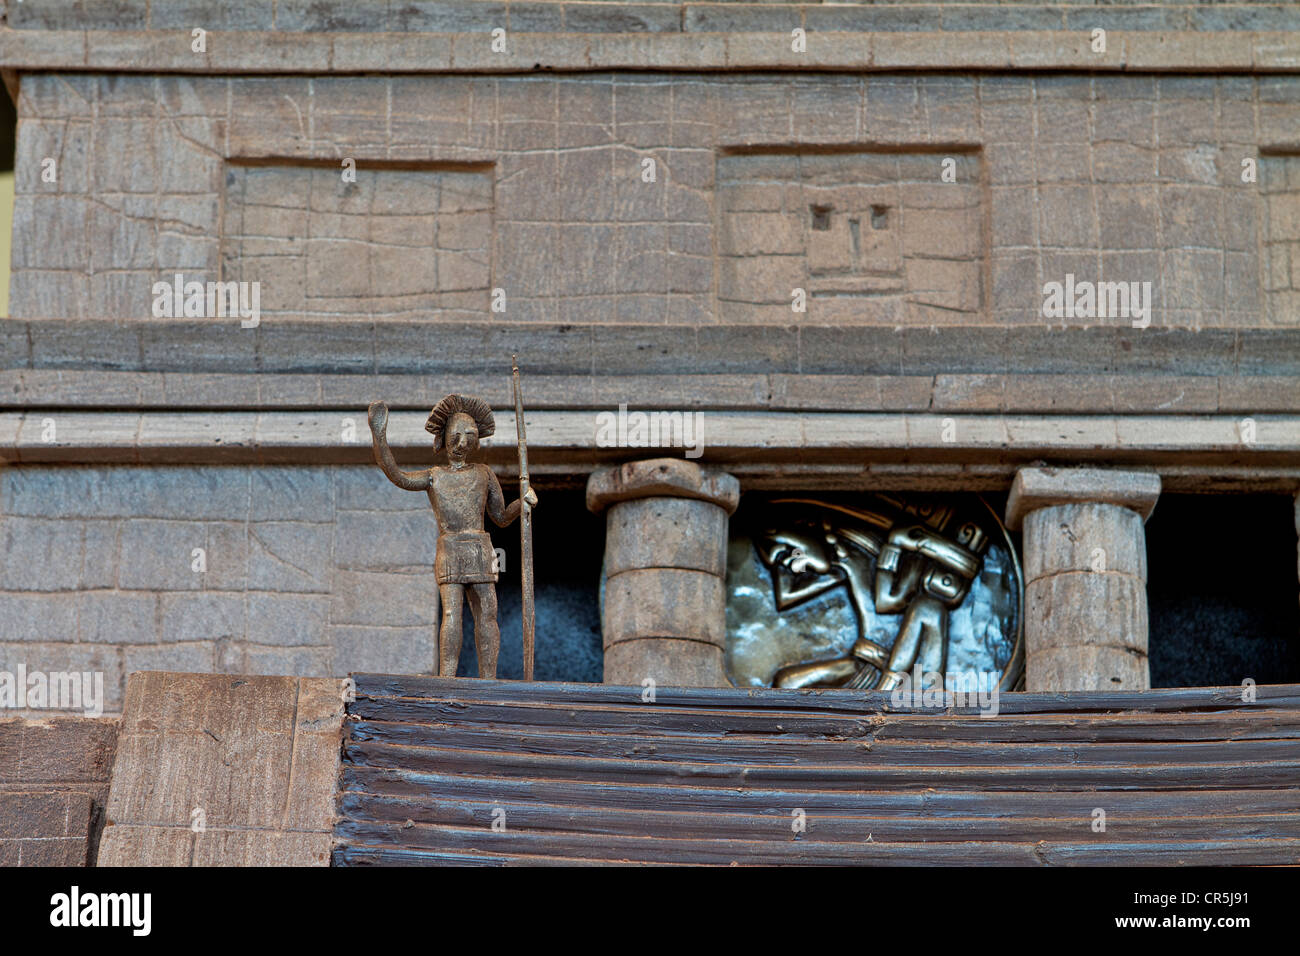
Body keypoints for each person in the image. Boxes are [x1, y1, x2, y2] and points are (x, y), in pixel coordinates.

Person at [367, 394, 538, 678]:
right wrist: (380, 437)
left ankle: (489, 680)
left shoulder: (484, 474)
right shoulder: (434, 476)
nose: (462, 442)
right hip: (450, 550)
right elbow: (397, 475)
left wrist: (523, 504)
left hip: (482, 549)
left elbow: (501, 517)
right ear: (443, 438)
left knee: (487, 614)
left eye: (470, 436)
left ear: (477, 440)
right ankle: (447, 679)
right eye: (456, 435)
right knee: (451, 615)